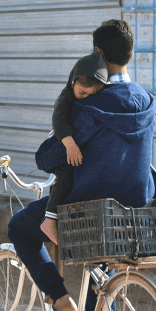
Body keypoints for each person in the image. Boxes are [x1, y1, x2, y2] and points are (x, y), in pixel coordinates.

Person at [8, 19, 156, 311]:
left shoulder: (90, 102)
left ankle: (62, 303)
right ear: (131, 55)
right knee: (100, 258)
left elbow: (48, 158)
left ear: (97, 54)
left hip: (88, 208)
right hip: (133, 209)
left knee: (19, 227)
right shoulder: (146, 100)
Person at [46, 50, 109, 225]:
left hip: (80, 149)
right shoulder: (66, 96)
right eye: (82, 92)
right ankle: (50, 220)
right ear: (73, 81)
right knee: (64, 179)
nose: (84, 98)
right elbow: (58, 120)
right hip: (66, 146)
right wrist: (70, 145)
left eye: (90, 95)